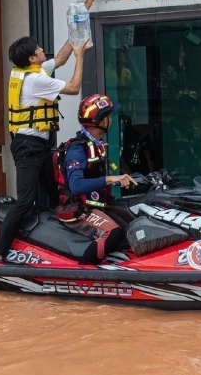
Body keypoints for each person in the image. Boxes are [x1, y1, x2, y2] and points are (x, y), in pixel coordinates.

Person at [0, 37, 87, 263]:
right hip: (28, 147)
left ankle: (57, 241)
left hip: (39, 145)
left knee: (55, 192)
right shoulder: (35, 81)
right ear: (32, 58)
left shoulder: (32, 70)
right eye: (39, 49)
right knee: (25, 200)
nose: (43, 50)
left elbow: (60, 59)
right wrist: (80, 56)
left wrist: (75, 39)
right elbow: (74, 87)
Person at [53, 94, 138, 262]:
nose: (111, 119)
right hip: (78, 209)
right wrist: (110, 179)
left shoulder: (97, 145)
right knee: (112, 232)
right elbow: (76, 186)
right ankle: (85, 273)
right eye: (108, 116)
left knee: (131, 226)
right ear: (101, 121)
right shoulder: (78, 149)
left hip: (97, 205)